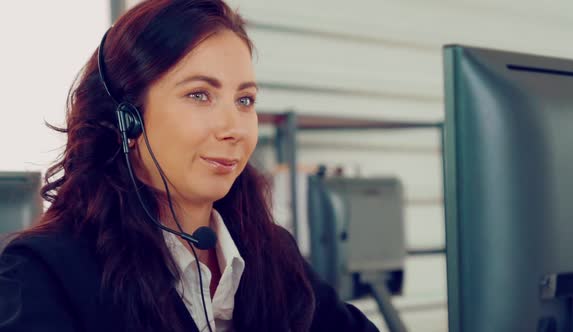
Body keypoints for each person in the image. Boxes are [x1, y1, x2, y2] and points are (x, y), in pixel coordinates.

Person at [0, 1, 379, 331]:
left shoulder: (271, 253)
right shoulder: (43, 272)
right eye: (199, 95)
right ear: (125, 119)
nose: (233, 128)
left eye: (245, 100)